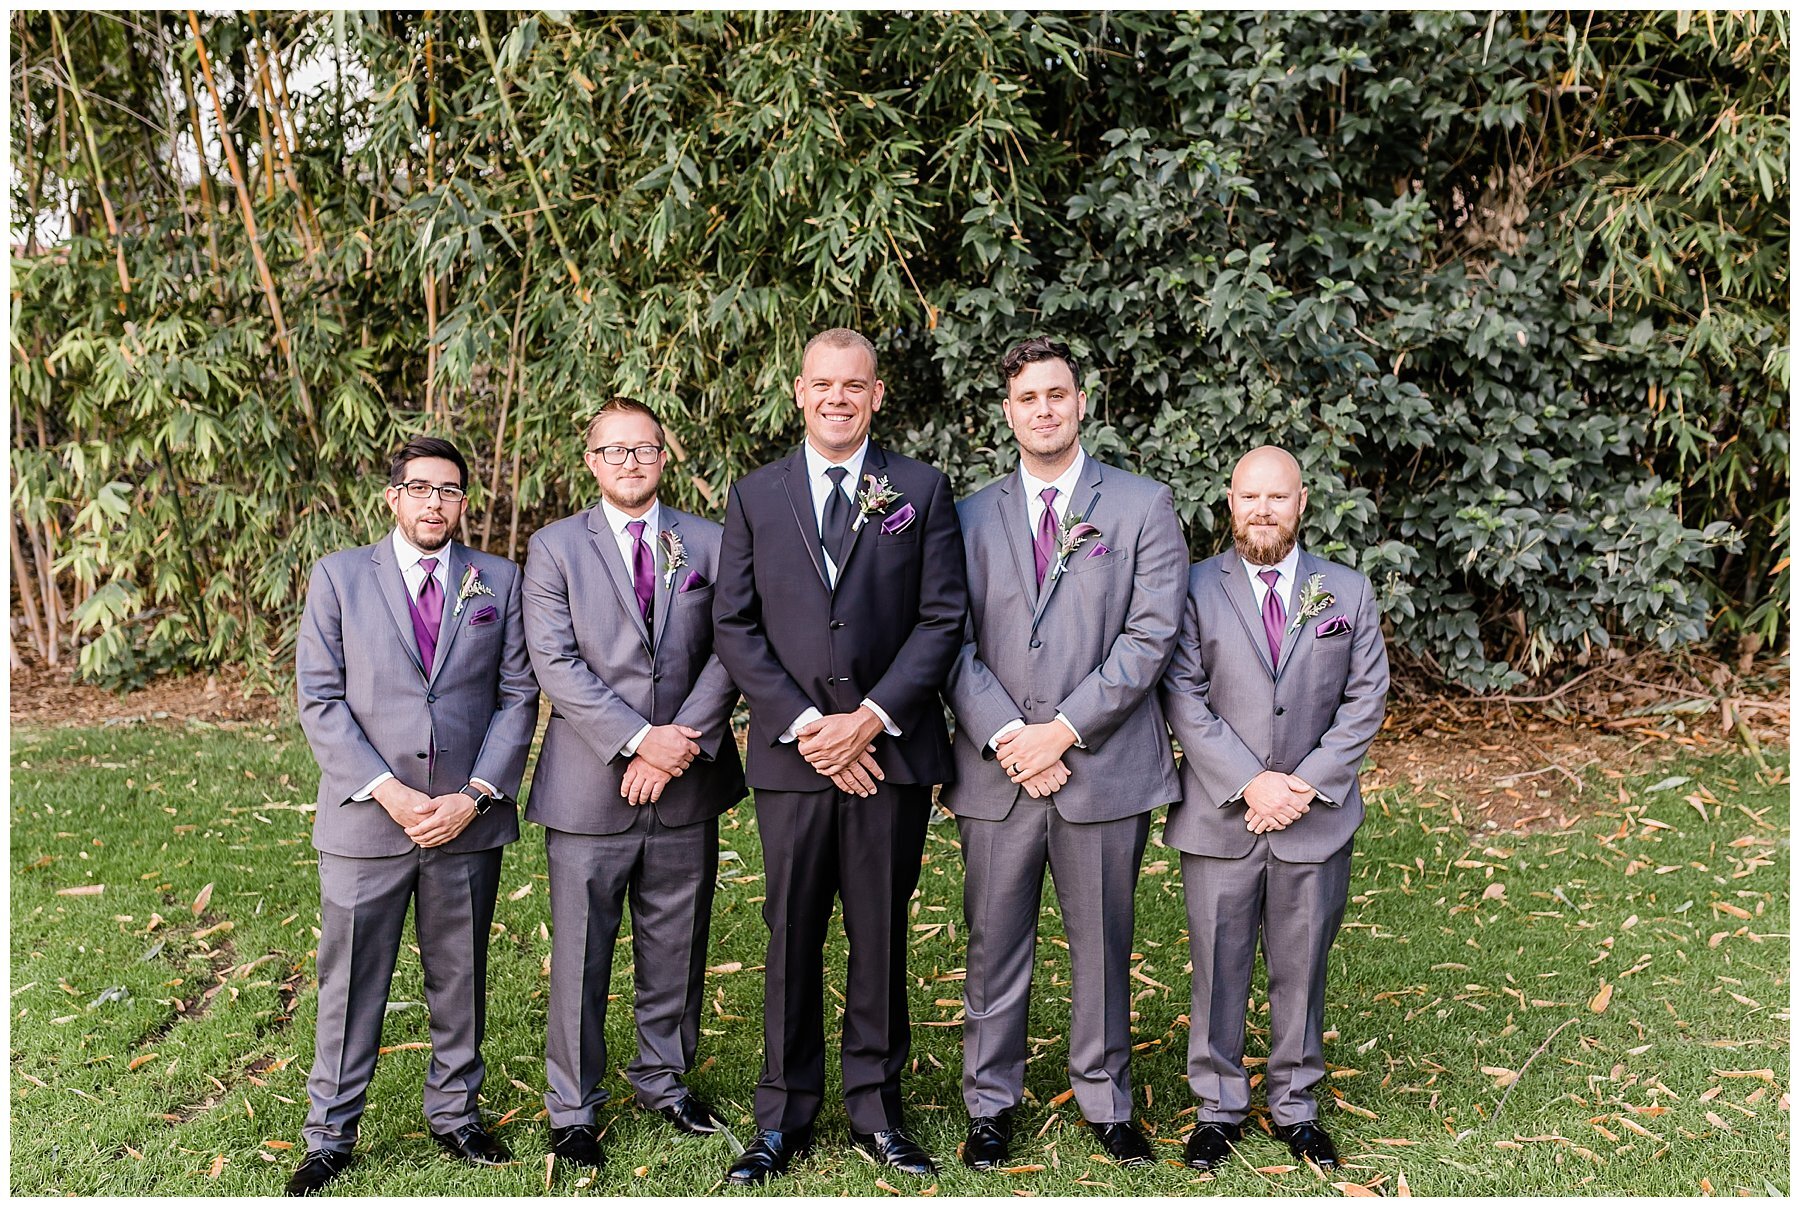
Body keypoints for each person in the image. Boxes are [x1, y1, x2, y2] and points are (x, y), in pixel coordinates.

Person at [711, 327, 968, 1185]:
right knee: (790, 931)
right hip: (794, 759)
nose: (836, 398)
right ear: (798, 391)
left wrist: (871, 717)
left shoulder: (921, 490)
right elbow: (735, 624)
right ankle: (781, 1114)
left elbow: (941, 617)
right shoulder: (755, 496)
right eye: (822, 384)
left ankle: (876, 1107)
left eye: (852, 385)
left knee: (879, 930)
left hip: (887, 754)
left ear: (877, 394)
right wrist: (807, 725)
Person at [942, 336, 1186, 1170]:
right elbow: (950, 639)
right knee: (993, 941)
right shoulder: (968, 514)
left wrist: (1064, 730)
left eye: (1056, 394)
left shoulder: (1143, 507)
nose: (1043, 409)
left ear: (1082, 401)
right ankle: (990, 1102)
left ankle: (1106, 1100)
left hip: (1101, 766)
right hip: (996, 770)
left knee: (1104, 940)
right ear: (1006, 412)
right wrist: (1014, 738)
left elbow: (1151, 635)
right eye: (1026, 398)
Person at [289, 436, 539, 1195]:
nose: (437, 502)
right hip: (370, 821)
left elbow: (518, 695)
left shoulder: (500, 578)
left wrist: (474, 795)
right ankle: (331, 1132)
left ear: (465, 502)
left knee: (460, 975)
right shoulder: (338, 578)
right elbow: (320, 700)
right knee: (351, 979)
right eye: (422, 487)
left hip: (465, 820)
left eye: (451, 490)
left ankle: (456, 1113)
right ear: (392, 496)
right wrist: (389, 791)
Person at [521, 397, 745, 1174]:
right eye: (612, 451)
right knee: (582, 952)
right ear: (591, 462)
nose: (628, 462)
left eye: (642, 448)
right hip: (590, 786)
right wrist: (637, 739)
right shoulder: (552, 549)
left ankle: (663, 1078)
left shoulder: (710, 542)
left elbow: (733, 648)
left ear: (663, 455)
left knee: (676, 943)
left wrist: (676, 744)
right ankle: (574, 1109)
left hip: (686, 780)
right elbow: (555, 662)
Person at [1158, 445, 1389, 1173]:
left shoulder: (1345, 592)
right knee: (1218, 968)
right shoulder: (1192, 588)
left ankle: (1296, 1105)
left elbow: (1365, 698)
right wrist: (1252, 781)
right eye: (1249, 496)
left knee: (1302, 968)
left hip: (1314, 819)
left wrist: (1303, 784)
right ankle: (1217, 1109)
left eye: (1277, 496)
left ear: (1303, 502)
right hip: (1222, 815)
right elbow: (1181, 693)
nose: (1262, 509)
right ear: (1229, 501)